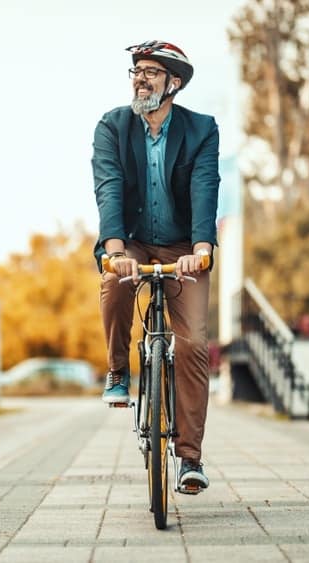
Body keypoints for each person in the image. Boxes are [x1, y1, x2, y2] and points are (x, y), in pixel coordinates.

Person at [92, 40, 219, 494]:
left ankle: (190, 460)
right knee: (115, 281)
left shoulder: (201, 129)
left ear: (174, 83)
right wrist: (115, 249)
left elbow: (206, 187)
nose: (140, 77)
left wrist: (202, 247)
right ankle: (117, 370)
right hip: (133, 241)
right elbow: (108, 187)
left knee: (191, 345)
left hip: (185, 245)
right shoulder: (112, 126)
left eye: (151, 71)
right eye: (136, 71)